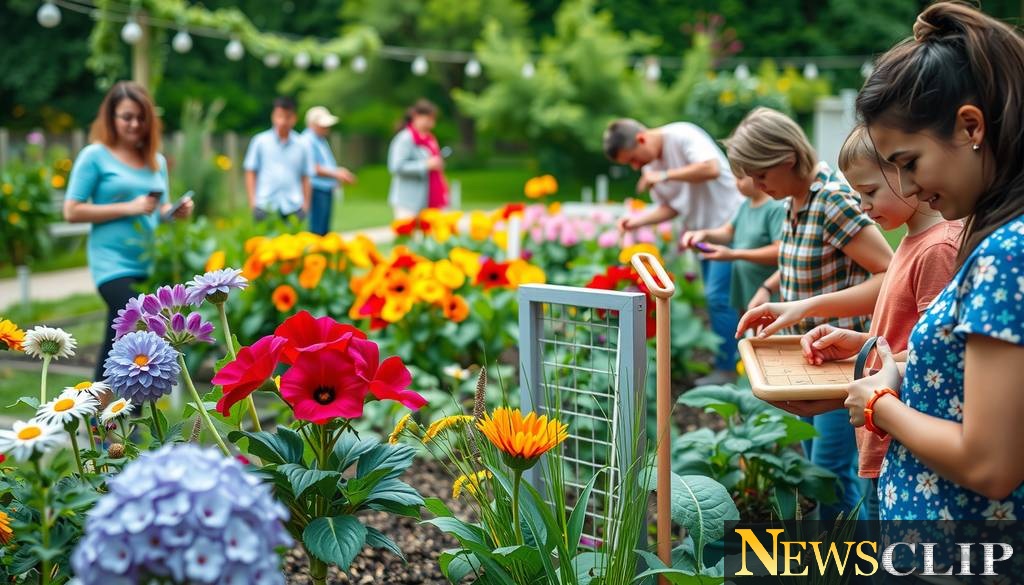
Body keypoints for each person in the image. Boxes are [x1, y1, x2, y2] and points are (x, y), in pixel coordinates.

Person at [843, 2, 1024, 520]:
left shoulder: (1007, 254)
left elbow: (990, 464)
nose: (907, 187)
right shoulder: (994, 236)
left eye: (909, 162)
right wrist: (886, 369)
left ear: (971, 127)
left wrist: (880, 408)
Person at [737, 124, 963, 519]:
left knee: (855, 513)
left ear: (904, 171)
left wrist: (809, 311)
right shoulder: (913, 242)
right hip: (882, 421)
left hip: (899, 427)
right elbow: (913, 344)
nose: (861, 205)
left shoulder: (937, 249)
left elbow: (939, 361)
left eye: (869, 192)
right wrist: (860, 344)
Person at [724, 107, 894, 522]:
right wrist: (768, 291)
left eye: (761, 176)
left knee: (832, 475)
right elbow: (803, 259)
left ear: (785, 159)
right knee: (818, 473)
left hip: (845, 363)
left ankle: (852, 565)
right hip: (811, 360)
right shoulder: (794, 200)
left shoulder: (831, 199)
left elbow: (888, 273)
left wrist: (808, 306)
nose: (758, 186)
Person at [63, 81, 193, 381]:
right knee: (140, 328)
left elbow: (156, 212)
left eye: (140, 117)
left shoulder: (155, 160)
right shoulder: (94, 156)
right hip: (111, 263)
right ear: (111, 118)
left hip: (148, 262)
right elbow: (71, 210)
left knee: (122, 339)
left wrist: (173, 212)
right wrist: (128, 207)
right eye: (126, 117)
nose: (134, 124)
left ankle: (104, 418)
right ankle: (119, 416)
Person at [603, 118, 744, 385]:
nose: (636, 167)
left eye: (634, 159)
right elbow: (672, 207)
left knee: (718, 297)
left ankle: (728, 370)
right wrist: (636, 220)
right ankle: (734, 365)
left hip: (731, 225)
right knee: (719, 299)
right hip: (701, 235)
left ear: (642, 138)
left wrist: (665, 175)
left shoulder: (681, 134)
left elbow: (711, 168)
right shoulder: (651, 167)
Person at [679, 174, 785, 317]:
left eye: (740, 177)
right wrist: (704, 235)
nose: (736, 183)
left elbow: (780, 252)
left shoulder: (775, 207)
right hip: (746, 287)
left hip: (767, 289)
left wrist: (733, 254)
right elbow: (728, 232)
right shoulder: (745, 205)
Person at [244, 96, 314, 222]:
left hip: (294, 206)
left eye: (287, 117)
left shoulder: (302, 144)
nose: (282, 121)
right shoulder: (260, 142)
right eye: (279, 116)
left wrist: (306, 206)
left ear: (294, 118)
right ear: (273, 116)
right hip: (265, 205)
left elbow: (306, 176)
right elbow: (250, 172)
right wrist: (252, 204)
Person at [387, 99, 447, 219]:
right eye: (428, 119)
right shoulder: (405, 139)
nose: (431, 124)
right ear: (416, 116)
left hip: (428, 199)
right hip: (408, 201)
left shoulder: (430, 139)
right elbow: (396, 166)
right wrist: (425, 165)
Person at [302, 106, 356, 235]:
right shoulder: (307, 140)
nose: (327, 128)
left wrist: (338, 173)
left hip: (325, 188)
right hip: (315, 189)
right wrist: (336, 174)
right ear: (312, 124)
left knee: (324, 231)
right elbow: (311, 167)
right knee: (317, 231)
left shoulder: (320, 140)